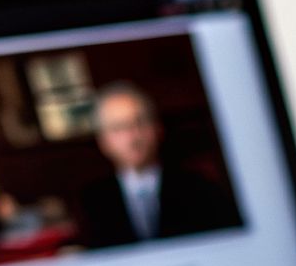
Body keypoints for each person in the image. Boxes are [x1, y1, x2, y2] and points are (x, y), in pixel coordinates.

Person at [76, 82, 242, 250]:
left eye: (140, 122)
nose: (132, 137)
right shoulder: (92, 202)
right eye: (118, 128)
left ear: (157, 128)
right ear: (103, 141)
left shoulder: (199, 188)